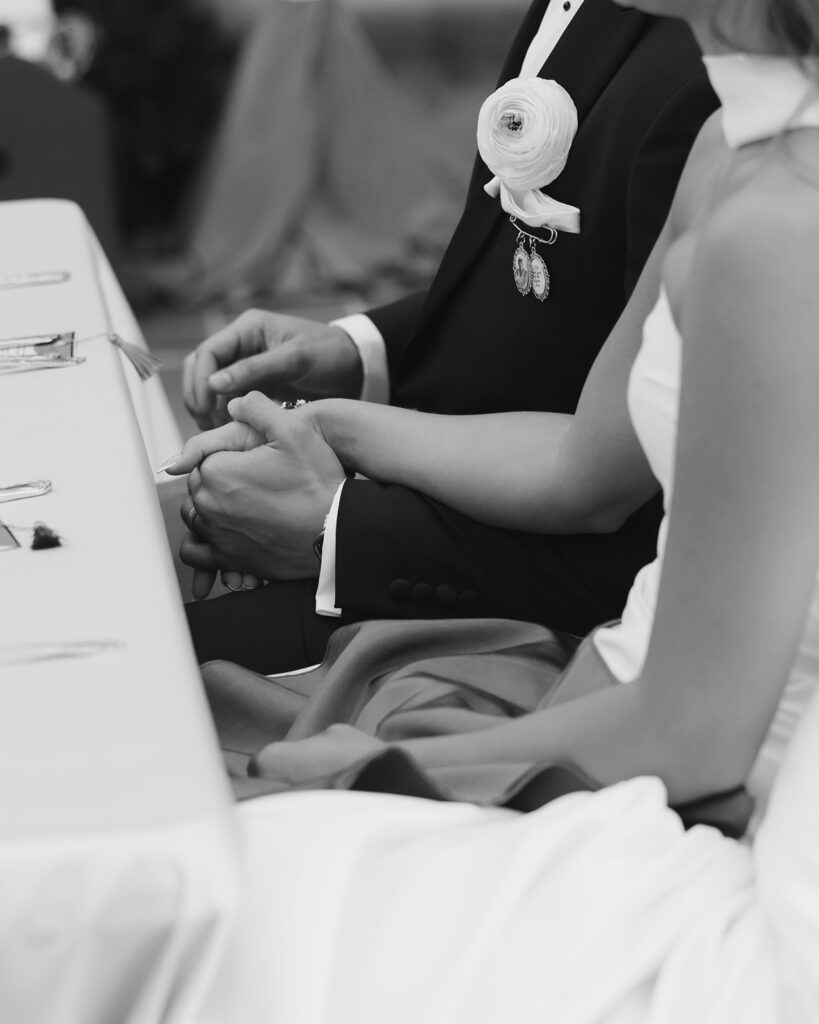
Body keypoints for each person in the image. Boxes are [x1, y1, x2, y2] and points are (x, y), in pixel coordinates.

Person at [192, 4, 819, 1019]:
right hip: (606, 704)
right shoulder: (728, 141)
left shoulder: (781, 225)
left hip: (711, 788)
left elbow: (695, 733)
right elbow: (579, 463)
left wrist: (375, 767)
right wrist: (330, 425)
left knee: (221, 890)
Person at [172, 0, 718, 673]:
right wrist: (359, 349)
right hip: (460, 496)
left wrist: (336, 522)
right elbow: (560, 296)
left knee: (150, 661)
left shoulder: (706, 82)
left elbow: (619, 488)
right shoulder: (600, 16)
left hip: (537, 592)